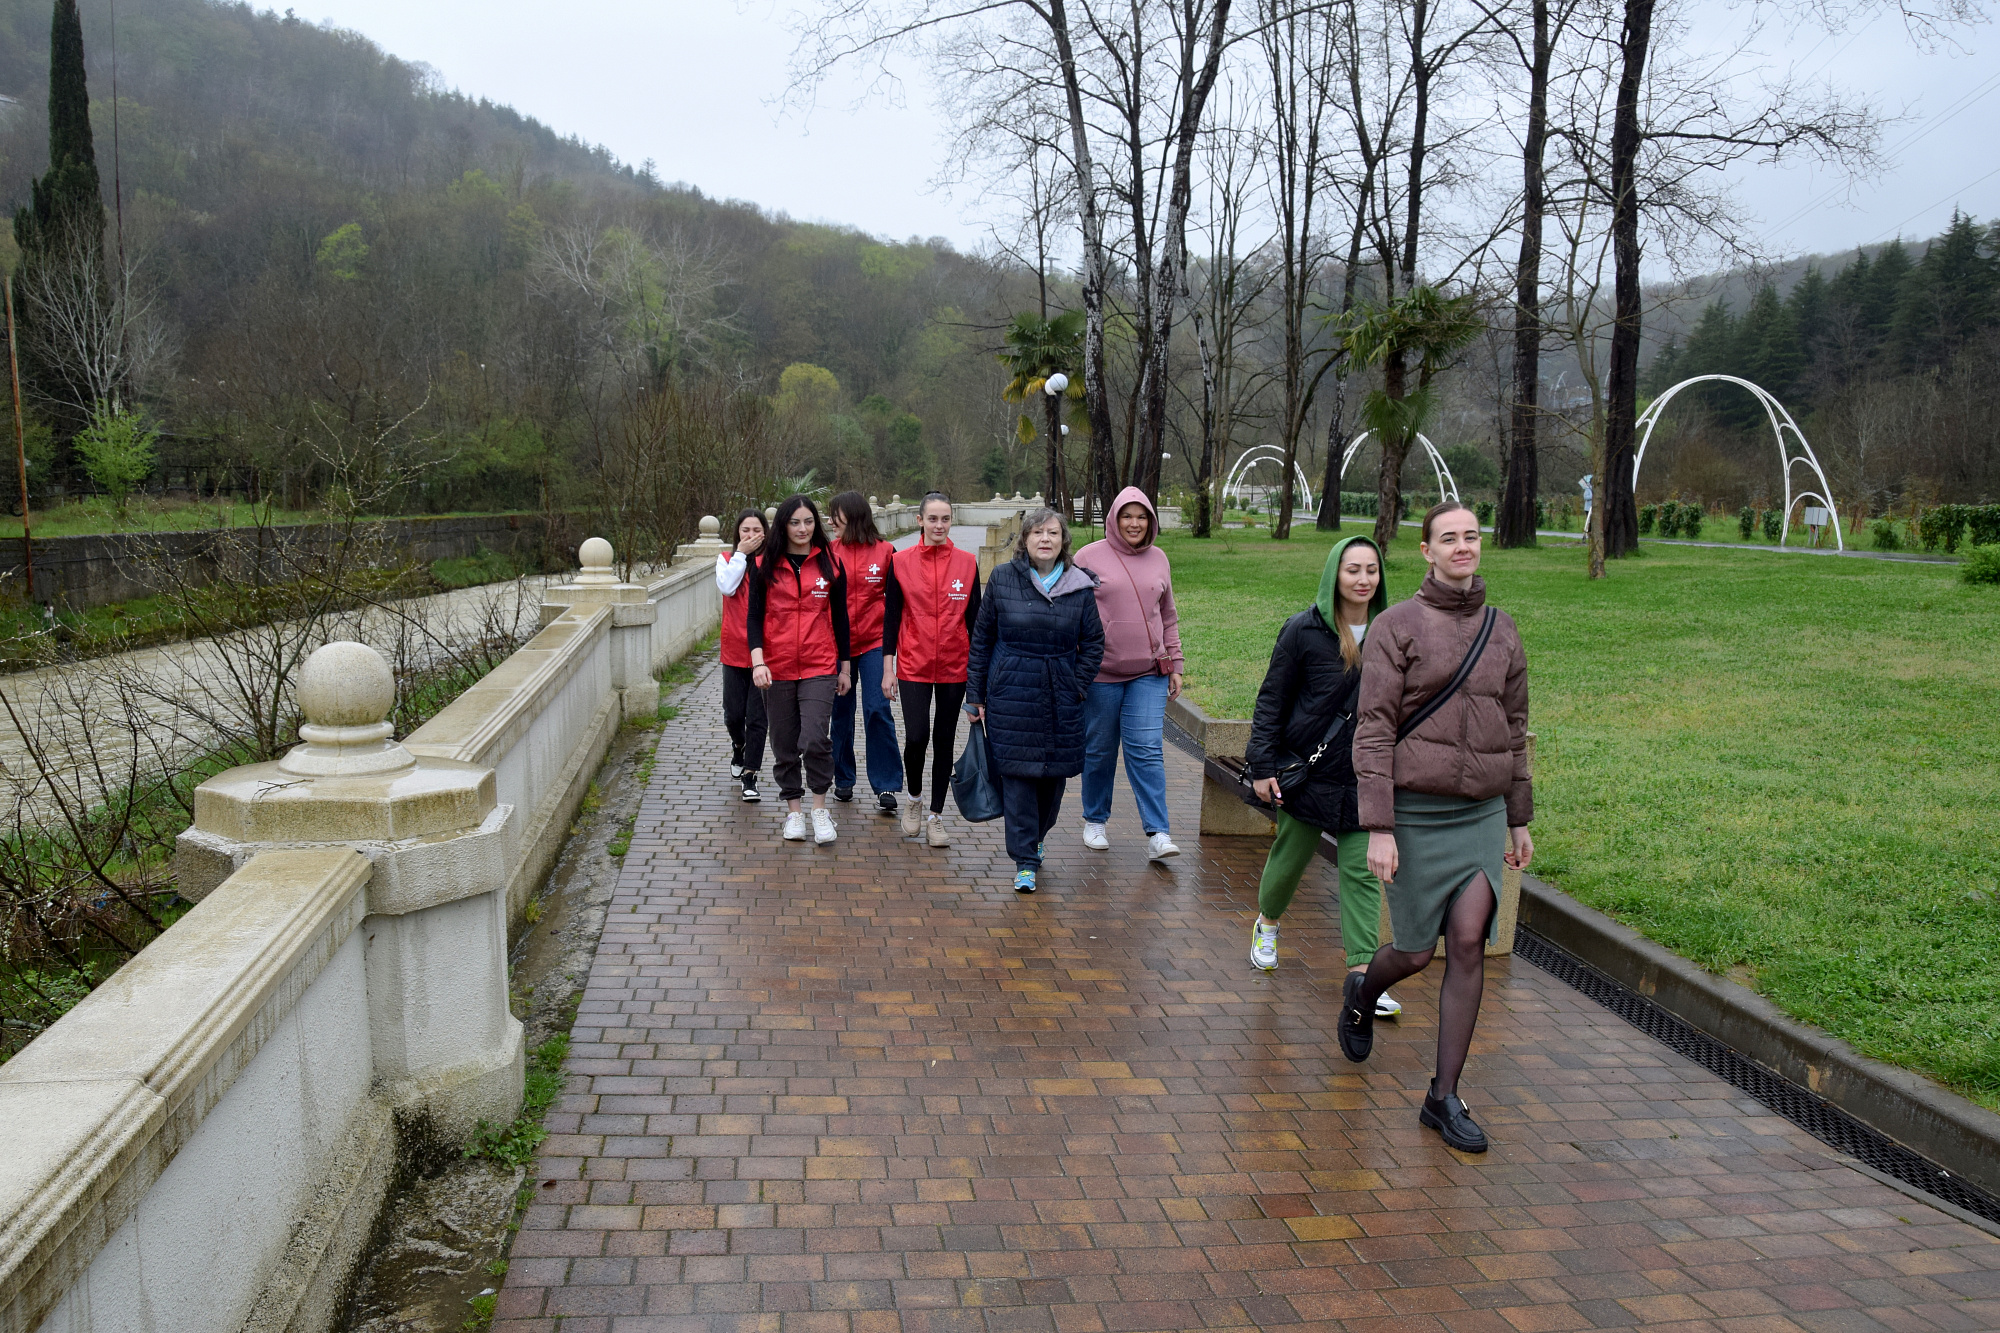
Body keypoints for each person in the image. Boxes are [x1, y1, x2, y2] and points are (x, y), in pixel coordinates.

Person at [1340, 502, 1534, 1155]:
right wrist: (1381, 826)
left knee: (1470, 943)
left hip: (1478, 813)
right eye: (1448, 538)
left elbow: (1514, 730)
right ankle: (1364, 990)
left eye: (1471, 536)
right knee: (1417, 952)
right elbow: (1373, 730)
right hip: (1415, 813)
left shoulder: (1503, 631)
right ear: (1425, 549)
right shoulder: (1396, 627)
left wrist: (1518, 818)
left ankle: (1442, 1094)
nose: (1462, 547)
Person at [1242, 536, 1401, 1018]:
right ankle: (1267, 923)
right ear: (1334, 574)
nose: (1363, 580)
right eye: (1353, 569)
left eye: (1371, 570)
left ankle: (1363, 976)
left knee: (1361, 874)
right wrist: (1261, 767)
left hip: (1363, 777)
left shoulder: (1392, 633)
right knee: (1290, 859)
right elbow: (1272, 700)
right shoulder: (1302, 631)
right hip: (1308, 771)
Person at [966, 508, 1104, 894]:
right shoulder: (1003, 579)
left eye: (1053, 533)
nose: (1045, 539)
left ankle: (1039, 837)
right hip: (1011, 693)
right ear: (1024, 540)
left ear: (1064, 542)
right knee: (1018, 779)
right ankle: (1024, 860)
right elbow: (982, 639)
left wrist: (1076, 684)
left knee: (1052, 779)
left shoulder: (1079, 586)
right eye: (1038, 532)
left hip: (1061, 694)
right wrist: (975, 694)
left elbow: (1093, 643)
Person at [1074, 487, 1186, 860]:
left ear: (1150, 521)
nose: (1134, 523)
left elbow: (1167, 616)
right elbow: (1073, 613)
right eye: (1127, 516)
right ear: (1115, 519)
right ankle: (1095, 820)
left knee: (1147, 749)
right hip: (1101, 674)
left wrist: (1177, 663)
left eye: (1141, 517)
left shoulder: (1160, 559)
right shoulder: (1088, 556)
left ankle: (1158, 833)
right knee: (1099, 749)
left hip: (1149, 673)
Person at [748, 495, 853, 845]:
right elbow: (753, 618)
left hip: (819, 663)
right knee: (783, 742)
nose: (803, 529)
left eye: (808, 522)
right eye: (795, 522)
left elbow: (840, 619)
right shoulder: (763, 564)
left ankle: (819, 809)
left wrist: (845, 668)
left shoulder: (831, 564)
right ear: (783, 526)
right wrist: (758, 661)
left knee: (814, 737)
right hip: (775, 667)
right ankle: (794, 811)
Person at [881, 492, 980, 846]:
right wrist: (887, 668)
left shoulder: (967, 563)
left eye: (946, 519)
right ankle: (914, 799)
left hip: (955, 665)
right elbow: (891, 618)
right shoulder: (901, 561)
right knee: (918, 736)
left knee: (943, 741)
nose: (939, 525)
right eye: (933, 519)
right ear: (920, 520)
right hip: (913, 664)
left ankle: (936, 815)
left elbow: (976, 621)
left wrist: (978, 679)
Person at [826, 491, 906, 816]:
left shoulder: (887, 552)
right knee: (841, 713)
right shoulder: (827, 553)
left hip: (874, 642)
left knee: (877, 709)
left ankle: (886, 782)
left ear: (854, 517)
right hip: (836, 645)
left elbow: (900, 601)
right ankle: (843, 777)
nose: (830, 522)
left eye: (836, 517)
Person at [716, 508, 770, 803]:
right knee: (733, 714)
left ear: (766, 532)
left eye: (756, 530)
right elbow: (727, 586)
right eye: (745, 530)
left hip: (764, 651)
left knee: (758, 717)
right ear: (737, 533)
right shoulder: (726, 560)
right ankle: (739, 745)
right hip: (734, 649)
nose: (751, 536)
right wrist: (741, 554)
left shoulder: (773, 562)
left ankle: (751, 774)